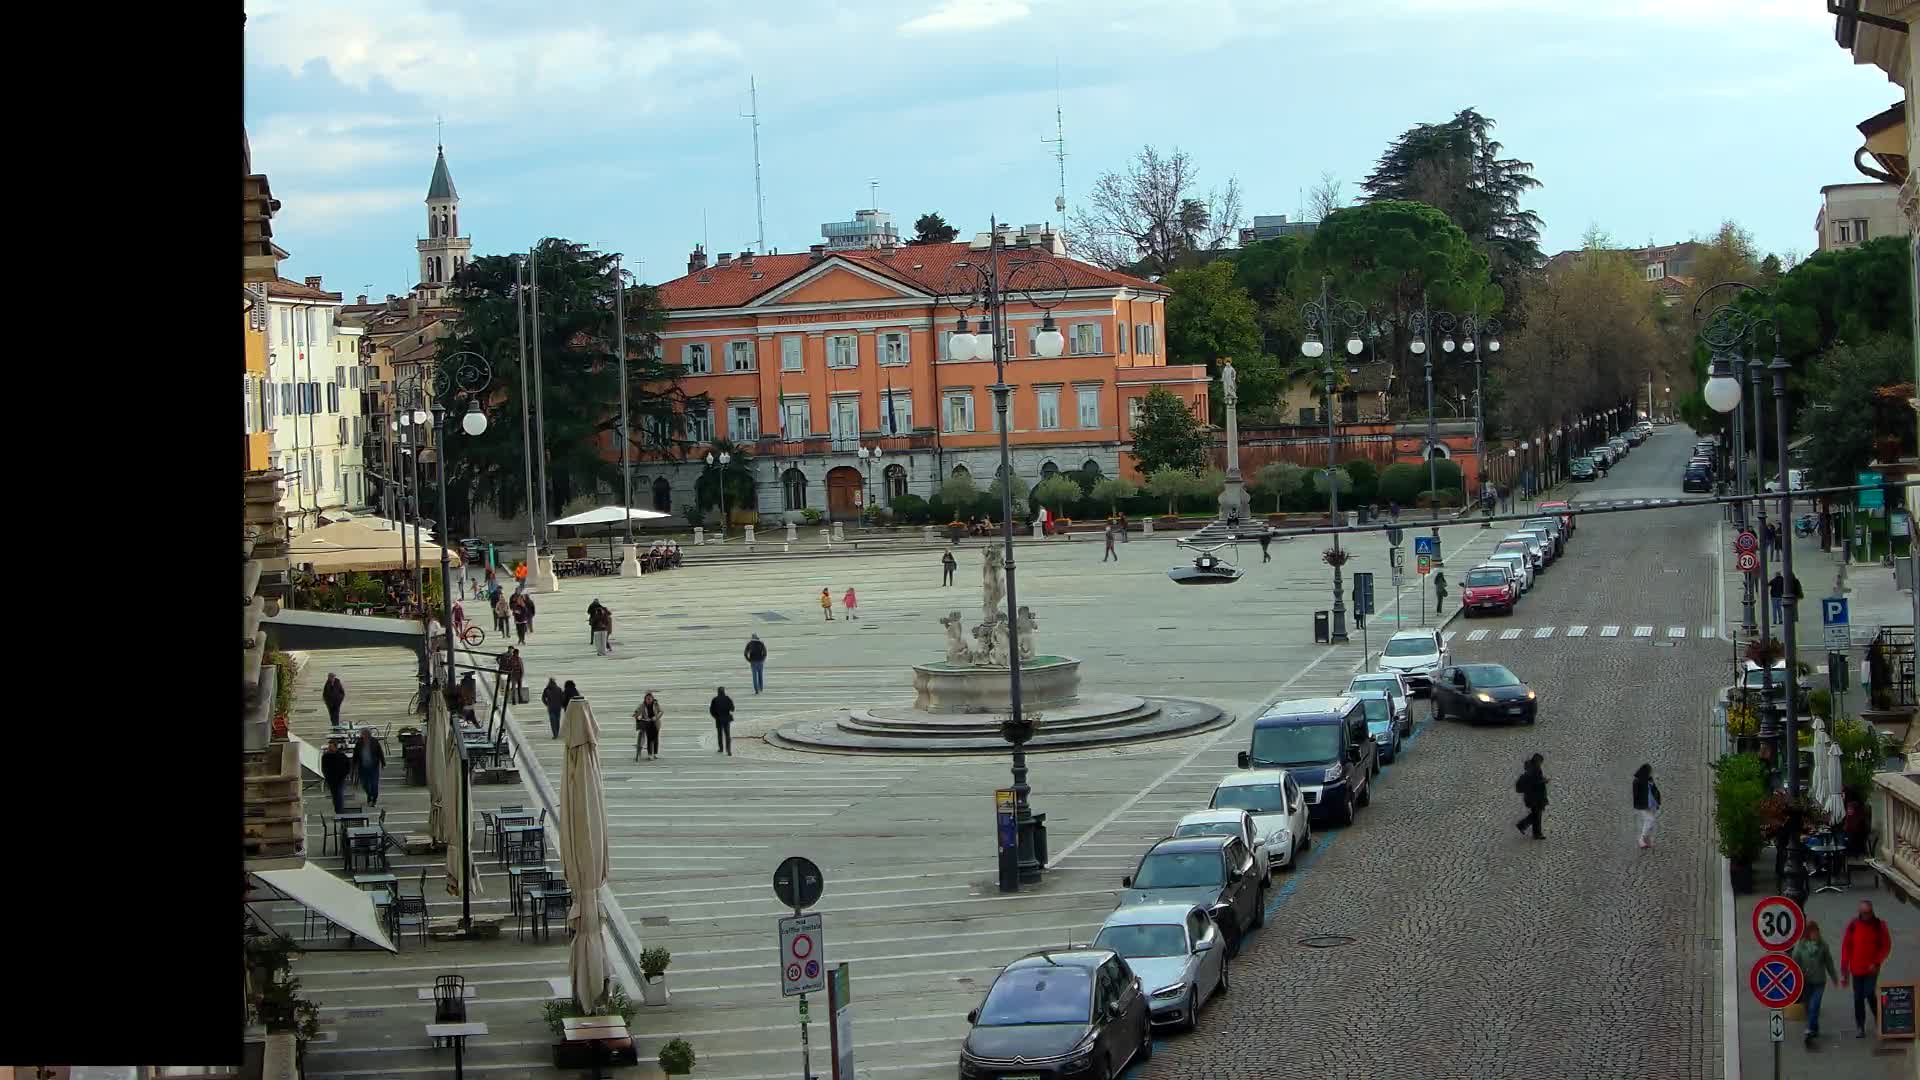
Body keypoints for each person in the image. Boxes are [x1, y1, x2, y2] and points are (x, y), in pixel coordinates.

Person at [1841, 900, 1894, 1037]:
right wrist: (1844, 970)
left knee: (1869, 993)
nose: (1867, 915)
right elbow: (1846, 947)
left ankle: (1879, 1017)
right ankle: (1860, 1026)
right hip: (1856, 968)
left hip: (1872, 968)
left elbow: (1886, 946)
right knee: (1858, 997)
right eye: (1864, 913)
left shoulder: (1880, 925)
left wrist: (1876, 961)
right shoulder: (1853, 925)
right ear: (1860, 912)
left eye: (1869, 912)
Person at [1794, 921, 1840, 1044]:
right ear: (1808, 934)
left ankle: (1809, 1029)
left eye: (1817, 932)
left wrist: (1834, 977)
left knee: (1814, 1005)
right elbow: (1795, 962)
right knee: (1809, 1007)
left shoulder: (1823, 945)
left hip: (1819, 981)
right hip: (1806, 982)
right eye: (1813, 932)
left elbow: (1829, 962)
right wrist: (1797, 976)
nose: (1816, 934)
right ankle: (1814, 1028)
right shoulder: (1800, 946)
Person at [1514, 752, 1547, 839]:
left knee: (1536, 815)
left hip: (1530, 796)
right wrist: (1543, 781)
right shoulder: (1535, 770)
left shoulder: (1530, 768)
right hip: (1535, 797)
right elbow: (1535, 782)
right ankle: (1523, 826)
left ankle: (1536, 833)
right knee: (1536, 815)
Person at [353, 727, 385, 808]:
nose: (363, 736)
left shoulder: (374, 742)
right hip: (363, 767)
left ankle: (374, 799)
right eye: (363, 734)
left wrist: (383, 762)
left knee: (374, 784)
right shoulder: (359, 743)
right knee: (364, 784)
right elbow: (355, 755)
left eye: (365, 734)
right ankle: (369, 795)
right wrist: (354, 765)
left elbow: (380, 752)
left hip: (373, 766)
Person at [1631, 763, 1661, 849]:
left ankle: (1647, 840)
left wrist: (1657, 802)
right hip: (1644, 805)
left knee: (1650, 822)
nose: (1651, 773)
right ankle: (1641, 839)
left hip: (1652, 804)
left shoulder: (1649, 779)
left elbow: (1655, 790)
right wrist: (1640, 806)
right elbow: (1636, 796)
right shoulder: (1637, 781)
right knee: (1650, 820)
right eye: (1650, 771)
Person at [320, 739, 352, 813]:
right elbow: (324, 768)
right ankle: (337, 809)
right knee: (334, 794)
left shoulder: (341, 756)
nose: (329, 748)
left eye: (331, 746)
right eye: (329, 746)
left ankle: (339, 809)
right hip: (331, 779)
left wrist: (346, 774)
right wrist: (326, 776)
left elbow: (348, 765)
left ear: (335, 747)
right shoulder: (325, 756)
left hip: (340, 778)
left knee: (339, 793)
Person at [634, 692, 662, 761]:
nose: (649, 700)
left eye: (650, 699)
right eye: (647, 699)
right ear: (645, 699)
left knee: (655, 739)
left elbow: (661, 711)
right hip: (647, 723)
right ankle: (650, 754)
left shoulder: (656, 704)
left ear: (652, 699)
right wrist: (637, 716)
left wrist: (656, 717)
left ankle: (654, 753)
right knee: (649, 739)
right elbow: (637, 712)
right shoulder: (642, 705)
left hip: (655, 723)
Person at [709, 686, 735, 756]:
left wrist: (715, 716)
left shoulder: (715, 700)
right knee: (727, 734)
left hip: (718, 719)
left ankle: (721, 748)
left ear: (718, 692)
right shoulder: (727, 699)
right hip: (726, 718)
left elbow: (711, 710)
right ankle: (728, 750)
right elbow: (732, 709)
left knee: (720, 734)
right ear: (724, 691)